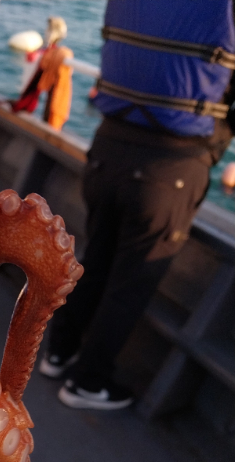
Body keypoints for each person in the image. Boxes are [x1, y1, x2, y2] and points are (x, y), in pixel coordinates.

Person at [39, 0, 235, 410]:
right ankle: (87, 384)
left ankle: (58, 352)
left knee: (96, 257)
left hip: (107, 150)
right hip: (172, 167)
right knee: (131, 283)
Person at [12, 17, 73, 131]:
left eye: (49, 29)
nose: (46, 32)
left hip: (33, 99)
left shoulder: (50, 54)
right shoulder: (47, 52)